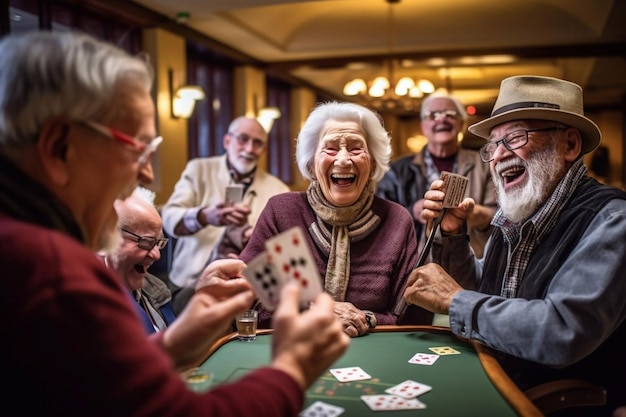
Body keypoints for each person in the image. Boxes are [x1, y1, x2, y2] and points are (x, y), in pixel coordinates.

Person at [0, 30, 349, 416]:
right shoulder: (52, 275)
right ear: (59, 147)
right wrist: (293, 369)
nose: (148, 176)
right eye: (139, 149)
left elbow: (95, 389)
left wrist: (172, 344)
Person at [403, 75, 626, 416]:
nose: (499, 156)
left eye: (516, 137)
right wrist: (453, 234)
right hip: (495, 377)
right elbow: (487, 292)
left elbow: (561, 330)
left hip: (558, 404)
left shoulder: (612, 219)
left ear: (569, 145)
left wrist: (454, 300)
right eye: (492, 146)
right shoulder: (519, 211)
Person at [240, 101, 433, 338]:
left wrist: (365, 319)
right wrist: (316, 312)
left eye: (355, 149)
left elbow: (412, 316)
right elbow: (250, 303)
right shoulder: (283, 213)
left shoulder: (395, 220)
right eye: (330, 149)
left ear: (372, 164)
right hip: (295, 347)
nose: (343, 160)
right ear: (311, 164)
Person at [161, 116, 290, 313]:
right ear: (227, 141)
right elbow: (169, 219)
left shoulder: (278, 189)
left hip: (250, 286)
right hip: (192, 281)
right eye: (243, 139)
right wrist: (205, 216)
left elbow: (285, 250)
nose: (249, 149)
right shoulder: (199, 171)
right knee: (200, 309)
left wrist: (256, 238)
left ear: (264, 150)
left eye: (257, 143)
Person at [376, 92, 496, 258]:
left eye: (450, 114)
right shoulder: (396, 170)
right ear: (423, 126)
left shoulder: (485, 164)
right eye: (433, 115)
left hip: (471, 261)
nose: (442, 119)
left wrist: (471, 214)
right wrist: (412, 211)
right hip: (415, 263)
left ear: (461, 123)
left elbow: (503, 216)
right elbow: (381, 219)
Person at [101, 186, 176, 334]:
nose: (156, 255)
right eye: (146, 242)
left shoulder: (155, 288)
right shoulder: (85, 307)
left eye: (158, 243)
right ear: (107, 236)